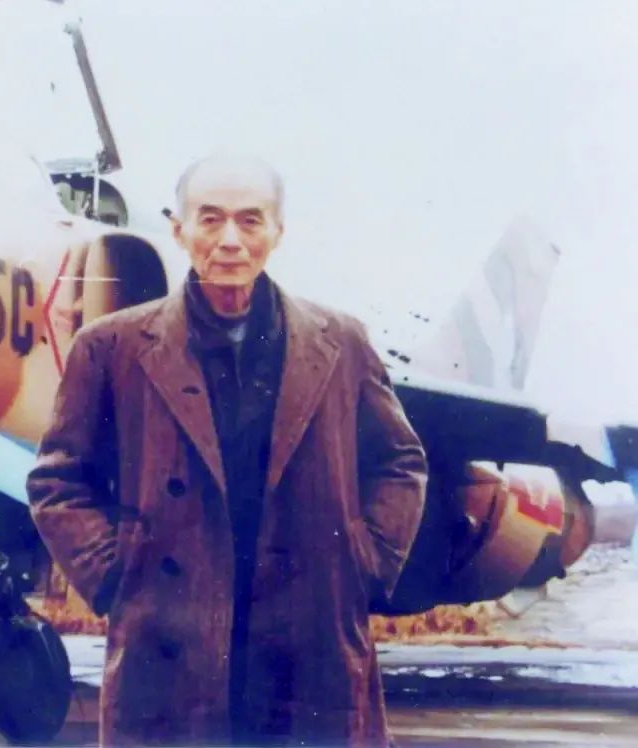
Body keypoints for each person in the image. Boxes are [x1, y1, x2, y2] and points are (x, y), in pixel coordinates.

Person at [27, 153, 428, 746]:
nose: (230, 241)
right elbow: (58, 481)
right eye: (210, 219)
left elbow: (400, 461)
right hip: (167, 644)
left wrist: (361, 562)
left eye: (250, 220)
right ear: (179, 230)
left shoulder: (341, 343)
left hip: (310, 641)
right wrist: (115, 574)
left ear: (278, 232)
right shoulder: (110, 347)